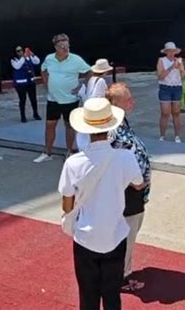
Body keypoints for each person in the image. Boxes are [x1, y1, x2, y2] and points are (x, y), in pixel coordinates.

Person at [58, 97, 144, 310]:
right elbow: (139, 184)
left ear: (86, 129)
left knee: (88, 295)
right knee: (112, 294)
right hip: (115, 233)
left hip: (86, 237)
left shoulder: (73, 163)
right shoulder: (125, 157)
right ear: (110, 127)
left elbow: (66, 205)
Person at [106, 83, 151, 292]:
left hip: (134, 191)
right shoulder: (113, 130)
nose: (132, 102)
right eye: (128, 99)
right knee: (127, 234)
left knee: (128, 232)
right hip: (128, 192)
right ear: (115, 104)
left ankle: (119, 272)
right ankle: (121, 278)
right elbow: (115, 159)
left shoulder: (121, 122)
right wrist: (136, 182)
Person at [34, 34, 91, 163]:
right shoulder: (49, 59)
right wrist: (46, 83)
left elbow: (89, 71)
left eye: (67, 46)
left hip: (70, 99)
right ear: (56, 47)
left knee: (69, 126)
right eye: (62, 46)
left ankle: (70, 152)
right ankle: (47, 152)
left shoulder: (76, 60)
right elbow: (43, 70)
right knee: (49, 125)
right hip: (53, 99)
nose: (66, 49)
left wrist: (83, 86)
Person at [76, 58, 113, 152]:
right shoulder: (101, 81)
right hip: (96, 108)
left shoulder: (91, 79)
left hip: (88, 106)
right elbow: (102, 96)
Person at [156, 42, 185, 143]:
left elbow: (184, 77)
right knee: (165, 113)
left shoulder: (179, 61)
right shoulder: (161, 61)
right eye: (169, 51)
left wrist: (181, 69)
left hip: (177, 87)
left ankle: (177, 136)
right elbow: (160, 76)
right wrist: (171, 67)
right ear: (166, 52)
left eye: (173, 51)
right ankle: (162, 136)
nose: (171, 53)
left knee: (176, 113)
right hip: (165, 87)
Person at [11, 45, 41, 122]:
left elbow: (37, 61)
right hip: (20, 84)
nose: (20, 52)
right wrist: (23, 57)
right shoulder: (14, 60)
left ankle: (35, 114)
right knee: (23, 100)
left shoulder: (28, 57)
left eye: (21, 50)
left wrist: (32, 54)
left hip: (30, 82)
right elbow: (17, 66)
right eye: (18, 51)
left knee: (33, 99)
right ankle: (23, 116)